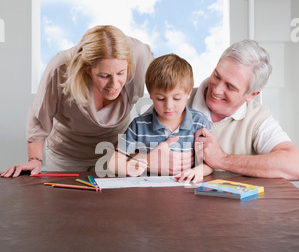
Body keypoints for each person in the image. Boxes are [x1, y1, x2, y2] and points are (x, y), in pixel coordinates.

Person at [1, 25, 154, 177]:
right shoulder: (60, 68)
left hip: (115, 152)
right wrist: (35, 159)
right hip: (67, 153)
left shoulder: (139, 56)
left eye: (121, 73)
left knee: (112, 201)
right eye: (104, 76)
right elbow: (39, 116)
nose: (114, 84)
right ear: (87, 69)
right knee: (67, 200)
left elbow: (169, 93)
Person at [190, 40, 299, 180]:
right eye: (217, 76)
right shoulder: (174, 100)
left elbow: (295, 165)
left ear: (251, 95)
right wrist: (151, 162)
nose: (216, 90)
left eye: (230, 87)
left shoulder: (257, 118)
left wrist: (223, 159)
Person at [109, 54, 213, 182]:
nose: (168, 106)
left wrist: (198, 171)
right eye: (161, 98)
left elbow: (211, 163)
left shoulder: (199, 123)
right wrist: (134, 165)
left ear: (188, 93)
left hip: (187, 192)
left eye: (176, 98)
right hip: (149, 193)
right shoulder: (139, 125)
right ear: (151, 94)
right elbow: (113, 163)